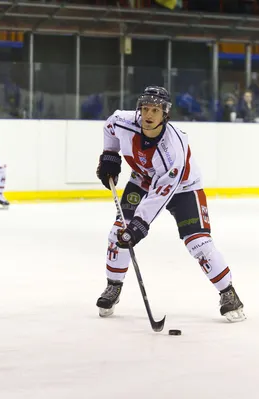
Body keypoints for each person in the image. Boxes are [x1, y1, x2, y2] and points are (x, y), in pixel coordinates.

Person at [95, 86, 246, 323]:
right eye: (145, 108)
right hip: (143, 179)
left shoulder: (172, 150)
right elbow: (109, 126)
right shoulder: (124, 121)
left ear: (166, 114)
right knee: (118, 232)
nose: (148, 115)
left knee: (198, 242)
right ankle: (113, 286)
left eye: (155, 110)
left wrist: (139, 225)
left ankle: (229, 293)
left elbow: (160, 194)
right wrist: (110, 156)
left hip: (184, 187)